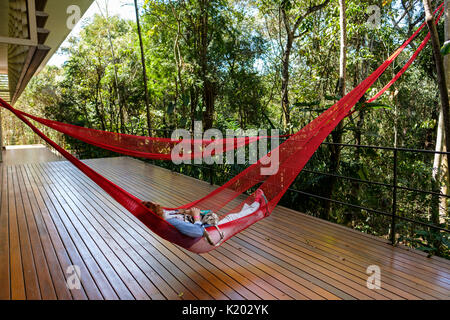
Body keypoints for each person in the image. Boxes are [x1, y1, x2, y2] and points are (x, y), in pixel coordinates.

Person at [142, 189, 268, 239]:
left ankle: (256, 206)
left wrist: (187, 212)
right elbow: (197, 232)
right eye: (155, 205)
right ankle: (258, 205)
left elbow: (174, 213)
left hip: (206, 224)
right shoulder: (169, 221)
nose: (158, 204)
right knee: (233, 218)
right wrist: (196, 216)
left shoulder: (164, 215)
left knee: (234, 217)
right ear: (154, 209)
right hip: (209, 232)